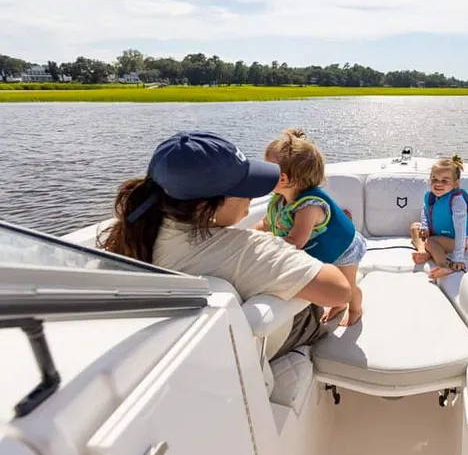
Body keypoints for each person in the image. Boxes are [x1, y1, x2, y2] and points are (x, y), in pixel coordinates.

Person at [98, 130, 351, 357]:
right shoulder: (247, 249)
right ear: (206, 205)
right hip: (263, 342)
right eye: (245, 189)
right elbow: (339, 290)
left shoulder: (133, 232)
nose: (251, 197)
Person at [255, 128, 366, 327]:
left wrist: (266, 248)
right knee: (337, 288)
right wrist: (247, 237)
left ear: (283, 179)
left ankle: (355, 309)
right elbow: (266, 223)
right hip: (325, 247)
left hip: (344, 248)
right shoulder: (280, 200)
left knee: (347, 288)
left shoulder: (309, 207)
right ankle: (339, 305)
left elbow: (295, 242)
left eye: (266, 170)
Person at [409, 154, 468, 280]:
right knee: (415, 227)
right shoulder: (430, 196)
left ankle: (444, 266)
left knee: (431, 242)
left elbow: (461, 229)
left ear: (456, 184)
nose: (438, 184)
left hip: (460, 239)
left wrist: (458, 258)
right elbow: (425, 211)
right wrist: (425, 226)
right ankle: (422, 251)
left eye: (444, 181)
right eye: (434, 179)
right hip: (439, 234)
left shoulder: (457, 200)